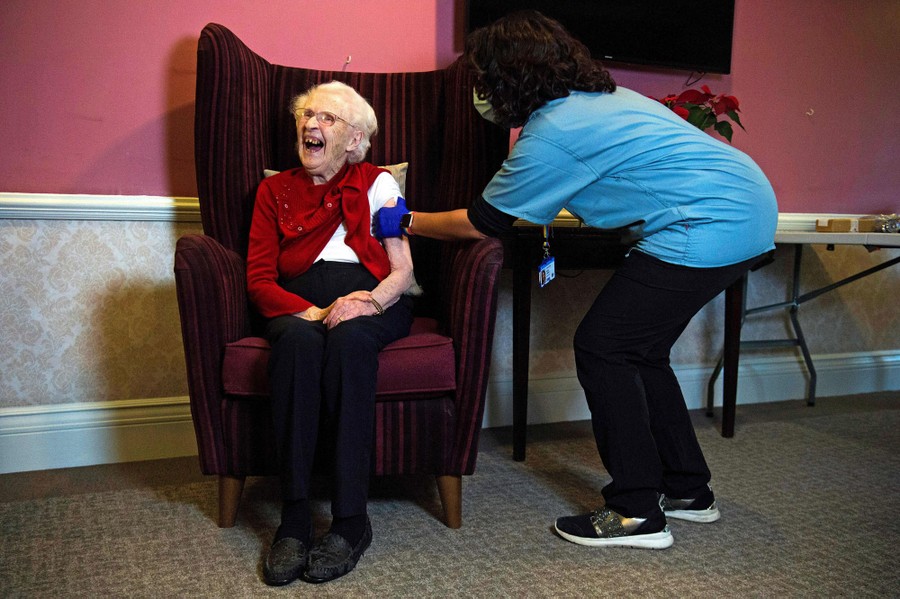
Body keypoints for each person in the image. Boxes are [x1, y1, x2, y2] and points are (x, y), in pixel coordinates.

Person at [376, 10, 777, 550]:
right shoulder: (603, 101)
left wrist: (405, 220)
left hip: (708, 223)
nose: (480, 90)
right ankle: (687, 490)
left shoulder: (554, 132)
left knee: (602, 347)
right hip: (748, 207)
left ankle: (637, 512)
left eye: (484, 78)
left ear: (510, 78)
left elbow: (481, 222)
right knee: (641, 352)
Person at [247, 81, 415, 584]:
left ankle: (349, 521)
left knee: (349, 343)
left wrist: (369, 302)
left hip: (372, 297)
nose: (310, 125)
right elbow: (258, 279)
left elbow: (401, 270)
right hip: (297, 305)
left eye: (327, 118)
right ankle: (295, 521)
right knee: (297, 345)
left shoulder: (378, 183)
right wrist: (312, 313)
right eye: (307, 116)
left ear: (355, 138)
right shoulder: (272, 191)